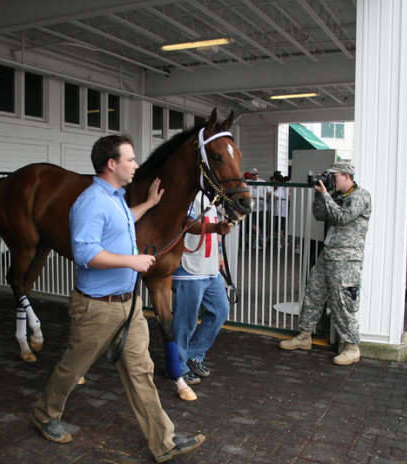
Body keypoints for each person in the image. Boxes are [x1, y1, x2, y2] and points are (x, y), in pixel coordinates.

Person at [31, 135, 205, 463]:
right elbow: (85, 253)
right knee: (73, 366)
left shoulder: (116, 198)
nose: (137, 165)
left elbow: (122, 222)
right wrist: (132, 261)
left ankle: (164, 442)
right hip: (97, 308)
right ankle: (44, 414)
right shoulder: (91, 201)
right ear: (112, 164)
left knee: (141, 370)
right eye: (131, 159)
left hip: (129, 304)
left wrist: (149, 206)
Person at [279, 163, 371, 365]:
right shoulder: (337, 196)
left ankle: (352, 347)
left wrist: (327, 196)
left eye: (333, 176)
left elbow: (342, 218)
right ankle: (304, 336)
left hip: (347, 259)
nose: (330, 180)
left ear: (346, 176)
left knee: (342, 302)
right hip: (328, 254)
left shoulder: (360, 195)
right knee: (313, 293)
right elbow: (320, 215)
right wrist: (321, 194)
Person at [171, 191, 233, 386]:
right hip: (189, 267)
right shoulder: (188, 194)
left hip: (210, 266)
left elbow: (216, 232)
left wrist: (219, 254)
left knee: (221, 310)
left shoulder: (210, 197)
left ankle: (193, 355)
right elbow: (187, 223)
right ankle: (178, 367)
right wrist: (216, 227)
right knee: (185, 320)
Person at [247, 167, 267, 249]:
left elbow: (269, 192)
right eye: (253, 174)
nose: (255, 175)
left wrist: (263, 198)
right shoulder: (248, 182)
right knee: (252, 225)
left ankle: (258, 241)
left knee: (261, 225)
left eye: (256, 174)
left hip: (261, 207)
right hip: (251, 207)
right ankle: (261, 238)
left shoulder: (262, 182)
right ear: (250, 175)